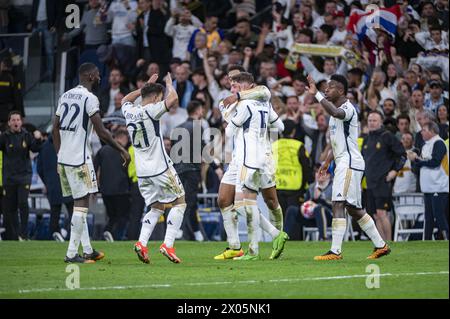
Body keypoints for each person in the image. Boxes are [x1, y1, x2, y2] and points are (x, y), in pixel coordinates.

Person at [52, 63, 130, 264]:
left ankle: (87, 250)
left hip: (64, 158)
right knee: (82, 204)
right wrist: (121, 149)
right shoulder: (90, 98)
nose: (99, 78)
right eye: (96, 75)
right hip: (80, 158)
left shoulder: (65, 95)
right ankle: (71, 253)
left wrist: (59, 154)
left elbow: (55, 127)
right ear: (88, 76)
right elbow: (102, 131)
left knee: (80, 203)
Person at [306, 74, 390, 260]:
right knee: (353, 208)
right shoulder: (335, 112)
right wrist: (327, 161)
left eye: (331, 87)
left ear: (341, 91)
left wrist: (317, 95)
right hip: (344, 161)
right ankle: (381, 246)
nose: (327, 90)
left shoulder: (347, 108)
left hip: (350, 163)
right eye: (325, 88)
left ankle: (335, 251)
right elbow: (338, 143)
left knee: (338, 202)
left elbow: (336, 114)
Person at [221, 72, 288, 261]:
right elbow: (280, 127)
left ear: (247, 87)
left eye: (238, 86)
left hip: (246, 159)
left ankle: (272, 237)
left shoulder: (243, 104)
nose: (235, 89)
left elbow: (228, 132)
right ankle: (258, 247)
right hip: (262, 157)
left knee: (243, 205)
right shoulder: (265, 104)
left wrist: (229, 115)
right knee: (247, 202)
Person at [121, 72, 186, 264]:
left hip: (142, 172)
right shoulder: (151, 110)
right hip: (160, 168)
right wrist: (168, 84)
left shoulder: (129, 111)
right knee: (180, 202)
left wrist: (143, 88)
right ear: (157, 97)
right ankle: (168, 244)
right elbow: (172, 99)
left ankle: (142, 243)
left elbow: (125, 99)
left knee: (156, 207)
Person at [362, 111, 406, 241]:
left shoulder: (387, 136)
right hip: (370, 182)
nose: (371, 123)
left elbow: (402, 155)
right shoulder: (366, 139)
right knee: (375, 215)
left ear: (381, 122)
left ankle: (390, 242)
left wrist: (394, 171)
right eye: (369, 120)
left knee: (382, 213)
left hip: (383, 182)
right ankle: (382, 245)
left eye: (374, 120)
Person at [0, 111, 43, 240]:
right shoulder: (4, 137)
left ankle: (24, 235)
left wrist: (38, 138)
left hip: (24, 175)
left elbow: (35, 149)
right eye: (13, 120)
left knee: (23, 203)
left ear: (21, 122)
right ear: (9, 123)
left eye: (18, 120)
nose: (16, 122)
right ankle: (14, 236)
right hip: (9, 177)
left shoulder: (26, 135)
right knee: (11, 207)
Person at [408, 122, 449, 240]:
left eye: (424, 130)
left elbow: (435, 162)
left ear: (432, 131)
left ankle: (447, 239)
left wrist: (417, 160)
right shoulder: (426, 145)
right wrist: (416, 160)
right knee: (428, 216)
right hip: (428, 187)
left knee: (439, 215)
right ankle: (426, 240)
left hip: (439, 186)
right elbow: (424, 163)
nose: (421, 132)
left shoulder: (439, 143)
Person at [172, 100, 206, 242]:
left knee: (189, 201)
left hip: (179, 169)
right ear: (198, 111)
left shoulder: (177, 127)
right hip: (192, 168)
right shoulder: (198, 127)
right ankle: (178, 229)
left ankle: (197, 232)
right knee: (188, 201)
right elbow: (201, 149)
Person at [36, 134, 74, 241]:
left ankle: (53, 236)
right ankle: (72, 236)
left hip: (52, 185)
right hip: (67, 183)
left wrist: (47, 182)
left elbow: (39, 168)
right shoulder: (67, 144)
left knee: (55, 213)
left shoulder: (44, 147)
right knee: (72, 211)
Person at [95, 129, 130, 242]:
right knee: (123, 216)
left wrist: (95, 187)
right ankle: (115, 237)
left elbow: (95, 168)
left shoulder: (102, 150)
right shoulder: (124, 152)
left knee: (112, 216)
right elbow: (129, 171)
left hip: (106, 190)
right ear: (123, 138)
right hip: (121, 190)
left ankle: (106, 234)